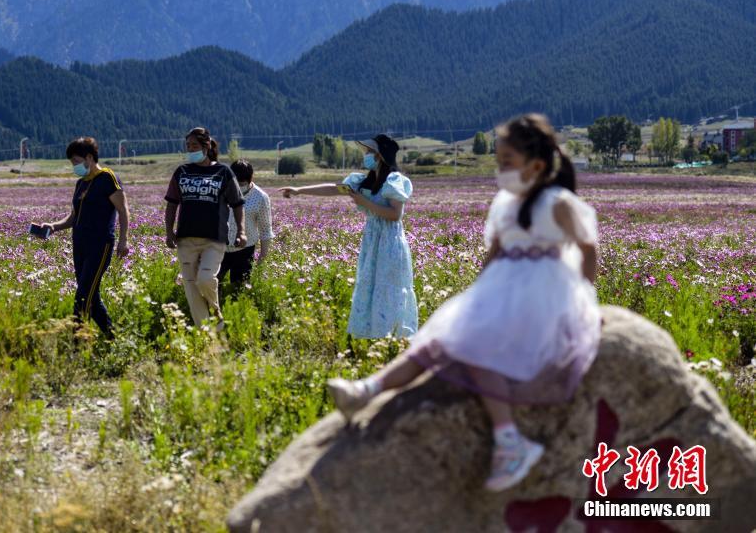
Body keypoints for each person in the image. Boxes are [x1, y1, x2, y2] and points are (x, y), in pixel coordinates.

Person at [327, 114, 601, 492]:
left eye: (508, 162)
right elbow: (495, 254)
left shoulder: (558, 203)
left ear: (536, 165)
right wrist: (477, 297)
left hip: (543, 300)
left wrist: (585, 301)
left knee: (478, 352)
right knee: (440, 340)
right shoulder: (505, 205)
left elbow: (588, 250)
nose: (500, 170)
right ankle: (369, 390)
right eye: (499, 161)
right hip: (504, 295)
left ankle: (509, 441)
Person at [280, 134, 417, 338]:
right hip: (372, 242)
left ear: (381, 156)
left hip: (389, 243)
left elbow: (394, 215)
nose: (367, 156)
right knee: (371, 287)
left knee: (389, 289)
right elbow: (334, 189)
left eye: (371, 152)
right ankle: (377, 338)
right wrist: (299, 190)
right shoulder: (364, 181)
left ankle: (394, 338)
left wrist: (363, 202)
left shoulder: (394, 181)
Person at [36, 137, 129, 339]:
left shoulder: (107, 178)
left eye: (76, 161)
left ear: (89, 157)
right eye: (72, 163)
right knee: (91, 296)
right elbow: (73, 217)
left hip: (100, 245)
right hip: (80, 245)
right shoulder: (81, 183)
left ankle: (77, 342)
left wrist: (123, 240)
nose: (74, 166)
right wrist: (53, 227)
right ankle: (113, 338)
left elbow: (123, 210)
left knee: (83, 296)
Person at [164, 127, 246, 327]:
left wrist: (242, 231)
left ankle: (215, 312)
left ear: (206, 146)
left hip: (214, 238)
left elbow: (237, 203)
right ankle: (206, 333)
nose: (190, 149)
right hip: (186, 238)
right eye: (188, 146)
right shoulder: (181, 172)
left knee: (205, 278)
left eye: (194, 146)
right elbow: (172, 203)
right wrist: (168, 231)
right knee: (191, 288)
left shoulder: (223, 172)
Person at [219, 160, 273, 288]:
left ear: (250, 179)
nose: (238, 187)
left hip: (244, 250)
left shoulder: (260, 197)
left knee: (239, 288)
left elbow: (265, 229)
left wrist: (262, 256)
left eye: (242, 183)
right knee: (212, 284)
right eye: (235, 182)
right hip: (219, 248)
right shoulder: (220, 191)